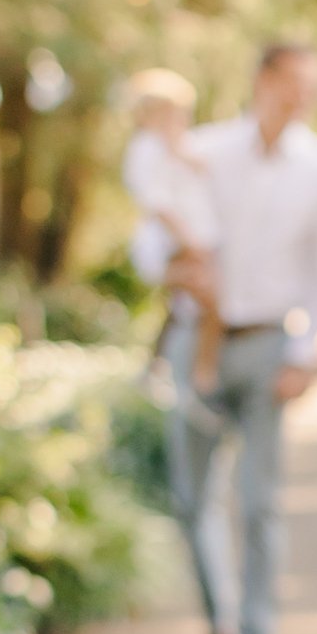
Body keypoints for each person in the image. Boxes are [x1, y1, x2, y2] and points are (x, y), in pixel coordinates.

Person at [136, 43, 317, 634]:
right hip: (194, 337)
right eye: (292, 84)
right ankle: (221, 624)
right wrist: (169, 268)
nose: (301, 99)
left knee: (261, 501)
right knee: (192, 498)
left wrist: (305, 355)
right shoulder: (203, 151)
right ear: (262, 81)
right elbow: (150, 231)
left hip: (266, 344)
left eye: (310, 88)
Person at [121, 71, 223, 393]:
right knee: (208, 295)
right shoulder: (145, 149)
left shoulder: (177, 146)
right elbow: (158, 205)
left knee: (192, 303)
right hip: (169, 244)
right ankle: (198, 372)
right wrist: (191, 244)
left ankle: (173, 368)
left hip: (190, 241)